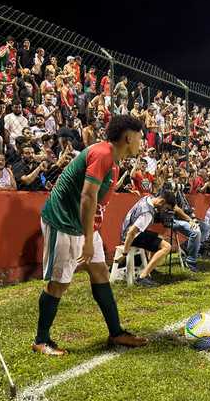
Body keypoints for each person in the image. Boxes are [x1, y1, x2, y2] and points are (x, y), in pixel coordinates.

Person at [34, 115, 148, 356]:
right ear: (128, 137)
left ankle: (116, 332)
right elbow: (87, 197)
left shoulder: (115, 160)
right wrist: (87, 240)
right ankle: (41, 340)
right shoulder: (103, 154)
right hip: (64, 222)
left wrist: (91, 232)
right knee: (59, 282)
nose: (143, 142)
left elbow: (95, 201)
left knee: (99, 271)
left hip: (83, 225)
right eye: (140, 137)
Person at [119, 190, 176, 287]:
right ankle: (142, 277)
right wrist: (125, 252)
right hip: (131, 237)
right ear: (161, 201)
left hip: (127, 230)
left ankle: (150, 268)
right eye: (166, 208)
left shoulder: (147, 198)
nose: (164, 211)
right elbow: (131, 232)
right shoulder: (147, 213)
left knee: (159, 238)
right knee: (166, 247)